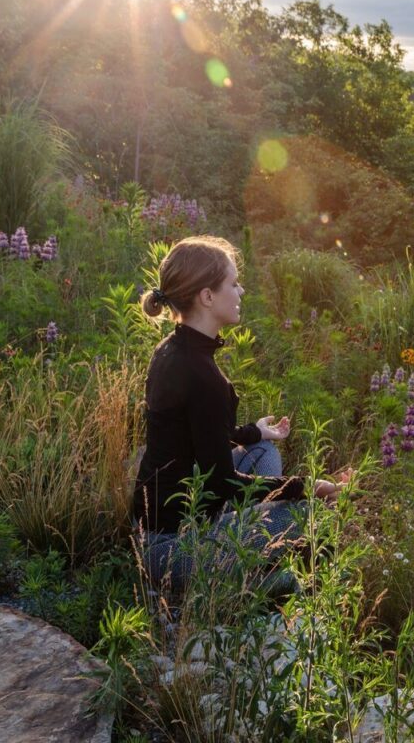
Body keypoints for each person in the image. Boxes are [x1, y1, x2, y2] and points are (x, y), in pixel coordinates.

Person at [133, 235, 344, 594]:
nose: (241, 291)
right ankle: (259, 585)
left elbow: (196, 432)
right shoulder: (204, 377)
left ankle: (245, 560)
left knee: (265, 452)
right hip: (175, 549)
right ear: (207, 296)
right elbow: (221, 484)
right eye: (233, 283)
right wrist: (309, 486)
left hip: (157, 528)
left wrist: (256, 433)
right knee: (311, 512)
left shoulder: (171, 349)